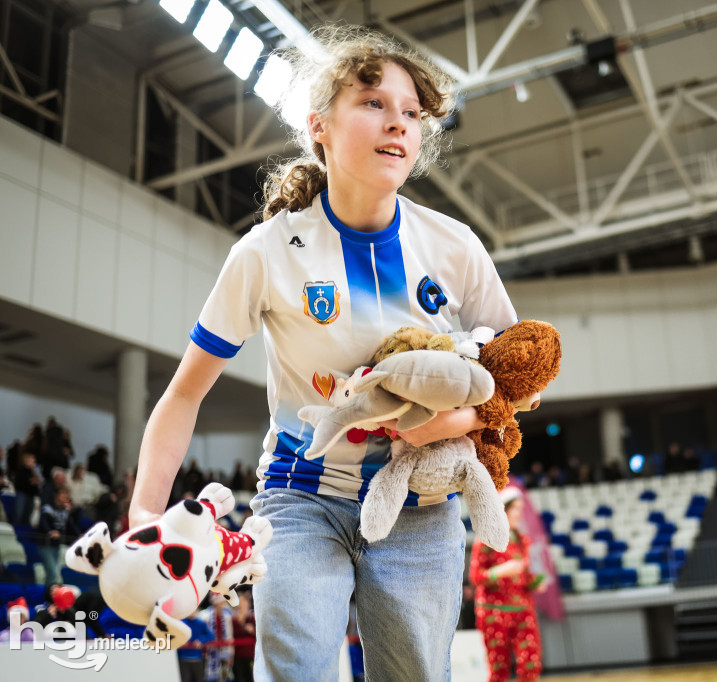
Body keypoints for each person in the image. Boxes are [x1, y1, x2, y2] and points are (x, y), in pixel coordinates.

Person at [128, 25, 518, 682]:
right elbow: (184, 393)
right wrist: (144, 514)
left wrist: (457, 422)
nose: (397, 122)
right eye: (373, 103)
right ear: (319, 126)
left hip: (420, 511)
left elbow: (520, 376)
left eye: (411, 113)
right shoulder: (264, 253)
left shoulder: (454, 247)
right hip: (299, 499)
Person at [469, 486, 545, 682]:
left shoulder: (522, 540)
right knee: (499, 669)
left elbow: (524, 575)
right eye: (515, 509)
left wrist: (534, 582)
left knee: (531, 664)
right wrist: (501, 571)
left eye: (521, 509)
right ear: (503, 510)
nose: (519, 514)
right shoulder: (486, 538)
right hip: (494, 611)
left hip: (523, 608)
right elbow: (476, 577)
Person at [37, 487, 81, 585]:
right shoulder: (47, 508)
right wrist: (50, 531)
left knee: (53, 572)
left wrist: (79, 534)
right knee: (52, 571)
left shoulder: (65, 510)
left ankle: (49, 593)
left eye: (67, 495)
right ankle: (50, 594)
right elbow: (43, 522)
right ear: (56, 495)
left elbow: (71, 525)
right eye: (63, 495)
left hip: (57, 544)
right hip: (46, 544)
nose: (65, 497)